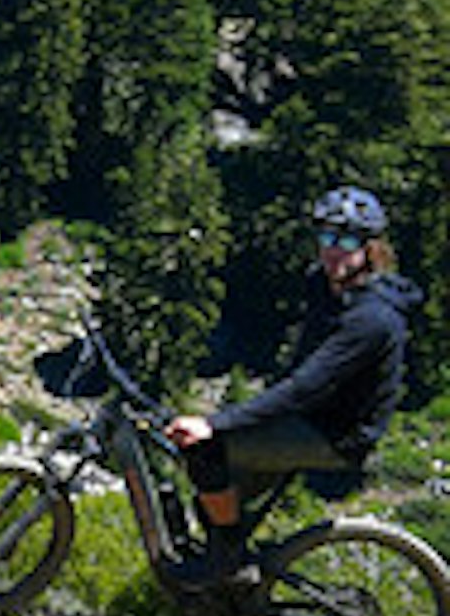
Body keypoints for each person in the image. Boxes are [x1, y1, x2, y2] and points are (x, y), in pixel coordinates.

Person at [164, 184, 422, 586]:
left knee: (207, 451)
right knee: (213, 499)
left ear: (370, 248)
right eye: (326, 236)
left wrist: (217, 423)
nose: (334, 249)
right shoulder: (322, 285)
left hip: (336, 434)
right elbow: (299, 367)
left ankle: (228, 565)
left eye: (348, 239)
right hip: (310, 416)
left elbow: (306, 384)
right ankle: (225, 596)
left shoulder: (372, 319)